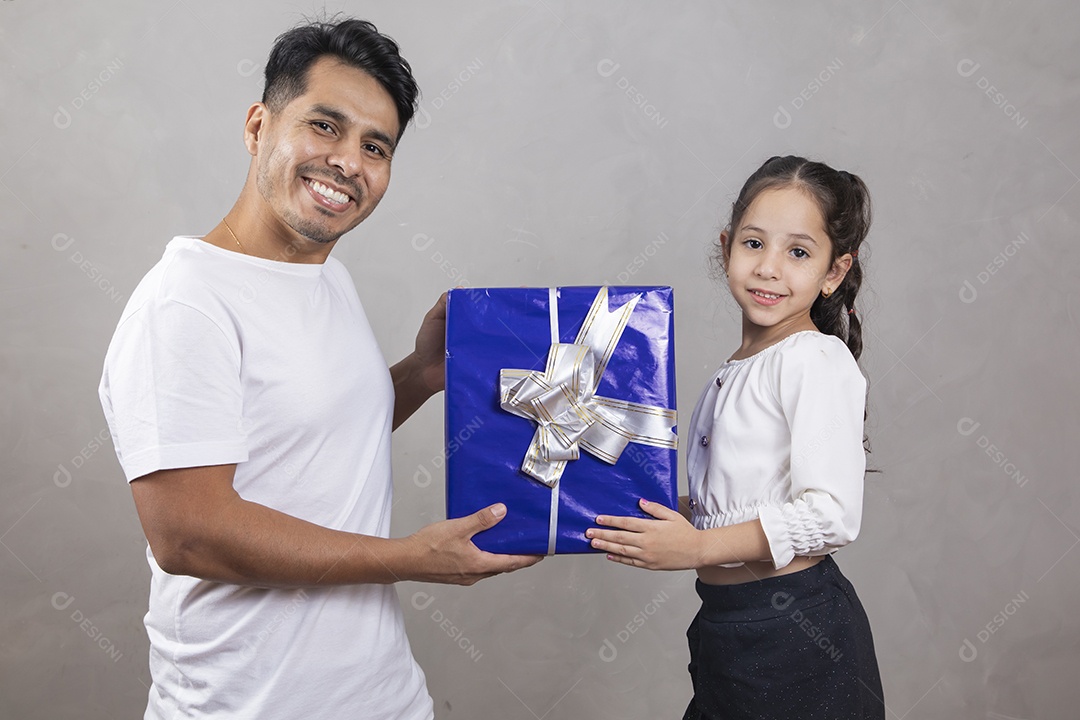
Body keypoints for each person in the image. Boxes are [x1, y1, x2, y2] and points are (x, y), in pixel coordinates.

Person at [98, 18, 538, 720]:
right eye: (325, 126)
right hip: (245, 706)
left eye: (375, 147)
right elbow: (188, 533)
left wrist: (421, 374)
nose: (347, 162)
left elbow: (307, 438)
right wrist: (411, 558)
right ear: (258, 126)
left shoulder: (327, 276)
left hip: (386, 698)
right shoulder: (186, 302)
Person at [587, 156, 886, 719]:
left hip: (795, 631)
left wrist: (697, 548)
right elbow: (730, 501)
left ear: (834, 272)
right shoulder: (735, 369)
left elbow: (832, 515)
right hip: (727, 624)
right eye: (754, 243)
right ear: (727, 248)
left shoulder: (815, 359)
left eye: (798, 252)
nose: (769, 267)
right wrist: (631, 507)